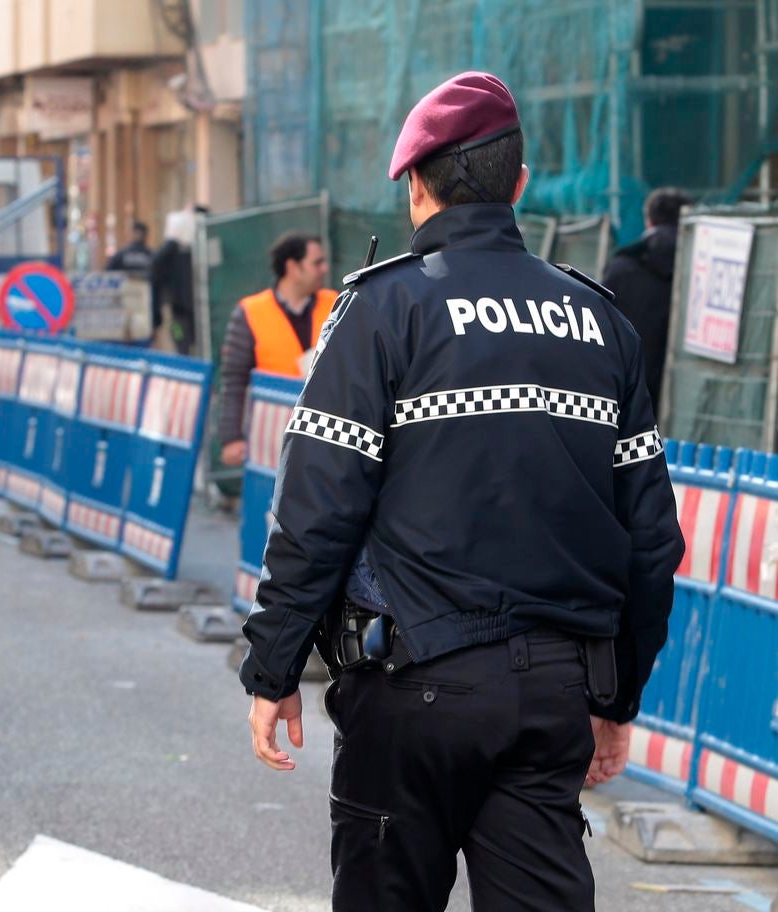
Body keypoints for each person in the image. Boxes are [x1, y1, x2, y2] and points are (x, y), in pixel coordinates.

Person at [239, 71, 684, 911]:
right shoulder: (600, 323)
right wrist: (618, 695)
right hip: (554, 692)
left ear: (416, 185)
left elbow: (318, 507)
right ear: (519, 186)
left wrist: (273, 665)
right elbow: (652, 538)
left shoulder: (381, 310)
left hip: (411, 690)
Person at [216, 232, 333, 467]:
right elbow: (234, 381)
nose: (325, 268)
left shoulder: (336, 303)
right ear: (293, 267)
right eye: (317, 262)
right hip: (270, 440)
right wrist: (231, 438)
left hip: (324, 437)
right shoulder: (250, 312)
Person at [601, 187, 692, 414]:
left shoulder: (621, 266)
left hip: (631, 386)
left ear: (648, 220)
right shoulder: (698, 266)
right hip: (687, 393)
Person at [149, 207, 199, 354]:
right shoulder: (171, 251)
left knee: (185, 338)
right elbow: (155, 266)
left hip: (191, 308)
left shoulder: (195, 249)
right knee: (179, 338)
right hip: (178, 309)